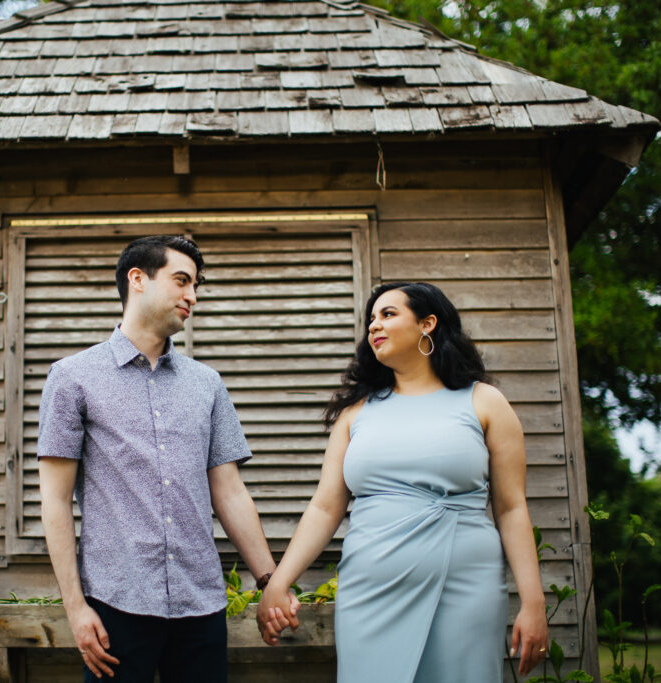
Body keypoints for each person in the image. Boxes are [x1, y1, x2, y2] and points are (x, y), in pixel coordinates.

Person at [257, 281, 549, 681]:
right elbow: (325, 506)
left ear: (428, 323)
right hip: (371, 588)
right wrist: (279, 581)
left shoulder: (484, 402)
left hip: (466, 585)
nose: (374, 325)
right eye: (371, 319)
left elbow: (512, 508)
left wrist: (533, 603)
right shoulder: (355, 413)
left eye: (388, 314)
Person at [38, 235, 296, 682]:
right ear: (137, 280)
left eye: (196, 286)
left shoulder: (207, 384)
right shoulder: (71, 378)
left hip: (201, 606)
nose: (192, 296)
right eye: (181, 281)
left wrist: (269, 581)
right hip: (116, 605)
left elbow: (230, 492)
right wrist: (76, 608)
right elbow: (55, 501)